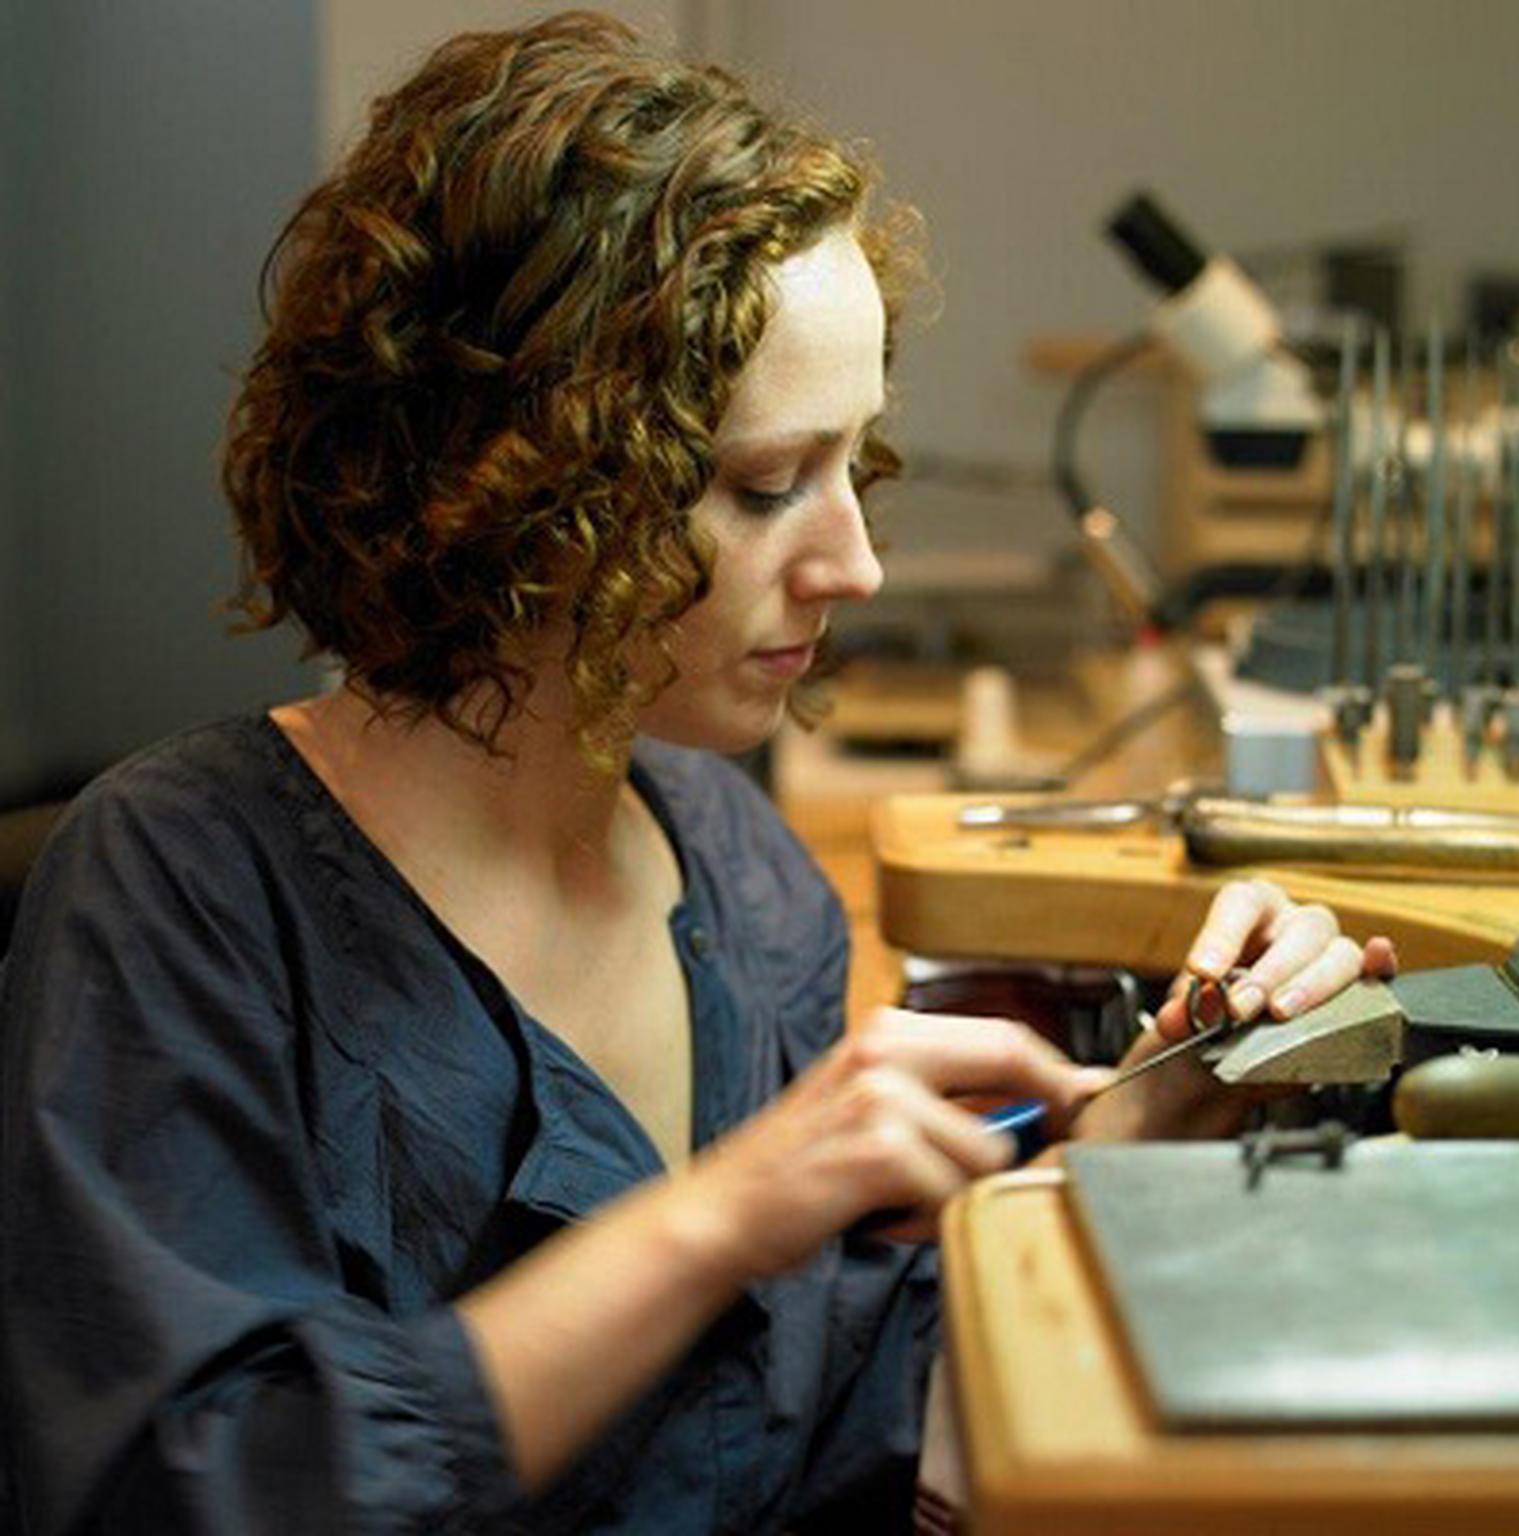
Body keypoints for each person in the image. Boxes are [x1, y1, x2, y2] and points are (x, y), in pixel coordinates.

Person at [0, 14, 1395, 1534]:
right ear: (513, 487)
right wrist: (724, 1212)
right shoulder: (184, 891)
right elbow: (186, 1493)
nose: (855, 562)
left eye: (856, 467)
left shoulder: (737, 867)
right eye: (763, 486)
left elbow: (789, 1404)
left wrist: (1125, 1123)